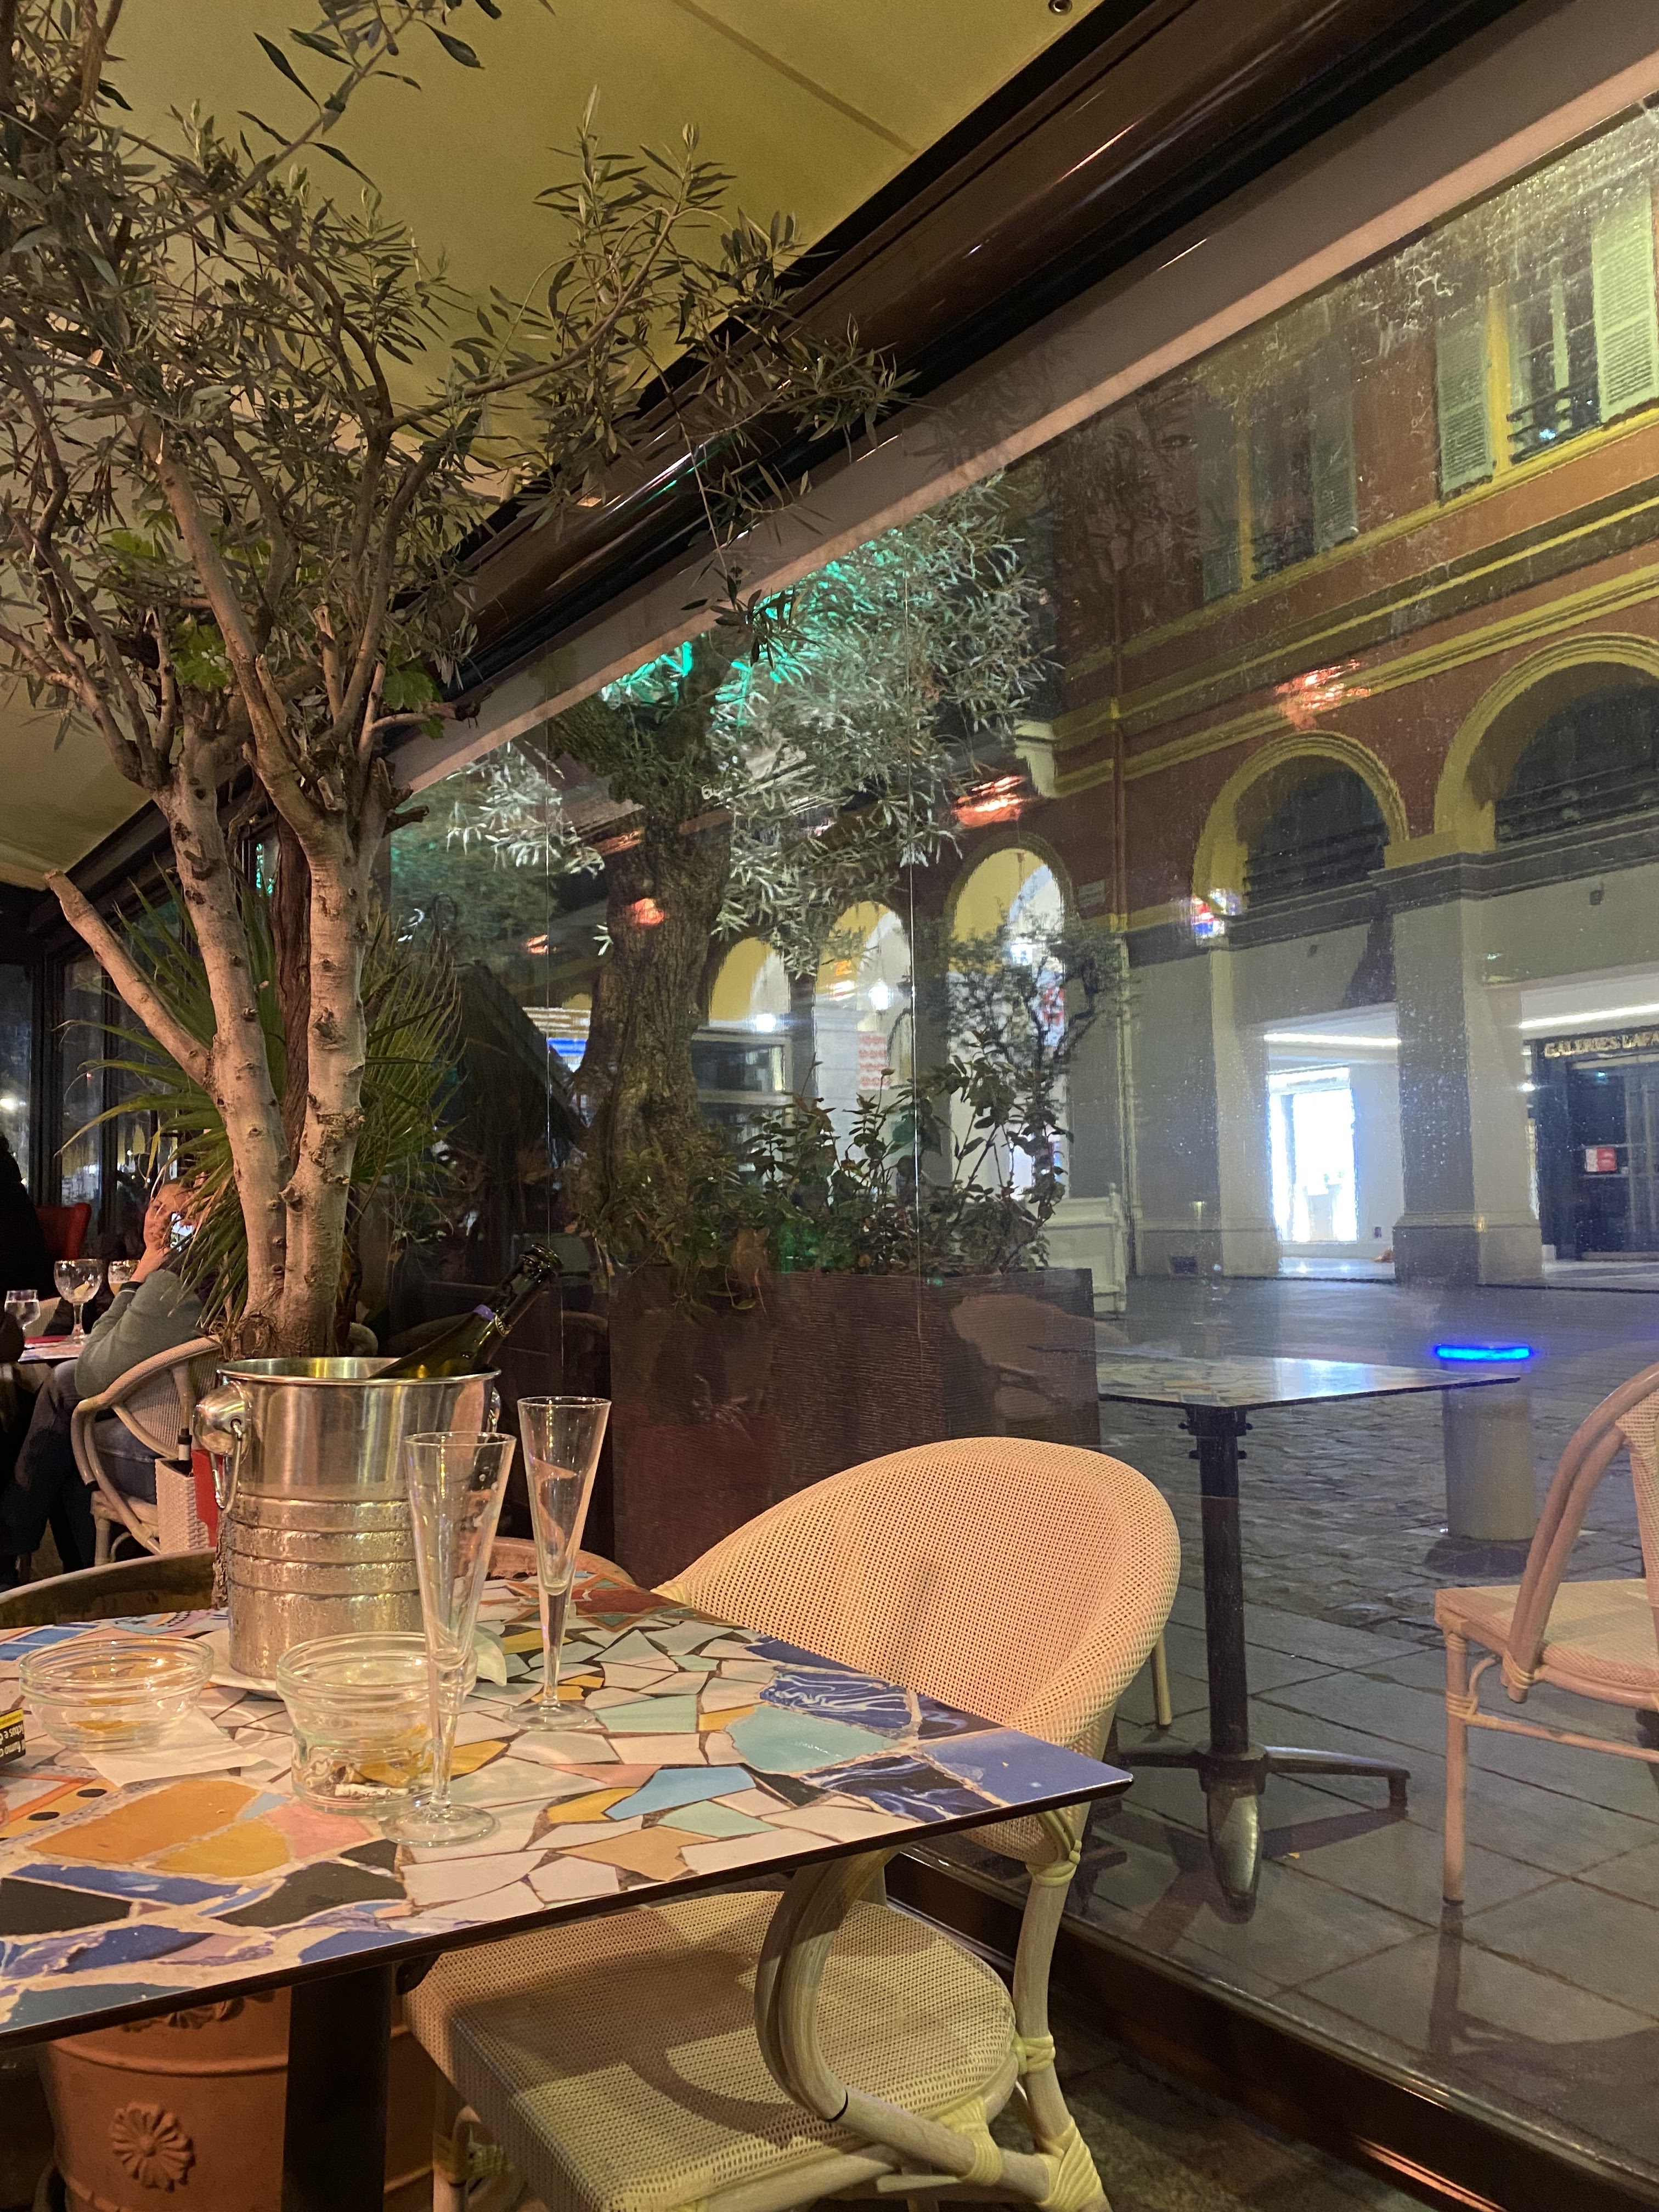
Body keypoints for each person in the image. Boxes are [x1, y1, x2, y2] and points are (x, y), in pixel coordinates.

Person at [2, 1182, 206, 1585]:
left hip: (168, 1437)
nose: (162, 1223)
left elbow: (91, 1373)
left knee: (67, 1415)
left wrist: (138, 1279)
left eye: (180, 1215)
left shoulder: (174, 1281)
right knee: (62, 1405)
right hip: (169, 1413)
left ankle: (16, 1547)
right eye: (157, 1208)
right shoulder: (219, 1273)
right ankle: (66, 1573)